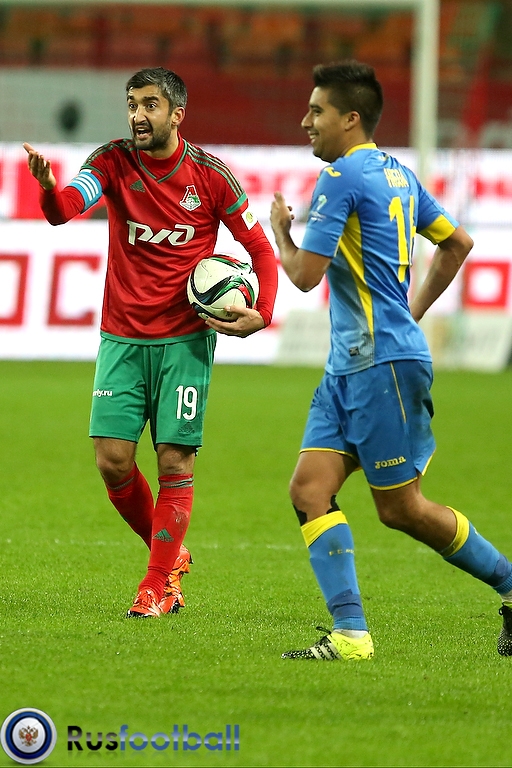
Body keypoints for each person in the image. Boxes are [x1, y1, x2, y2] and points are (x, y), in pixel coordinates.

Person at [270, 60, 512, 660]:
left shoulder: (339, 178)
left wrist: (281, 234)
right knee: (309, 489)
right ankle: (351, 636)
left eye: (317, 111)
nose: (306, 122)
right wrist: (411, 313)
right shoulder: (398, 174)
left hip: (381, 369)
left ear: (350, 118)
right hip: (350, 366)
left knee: (401, 509)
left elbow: (304, 276)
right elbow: (457, 243)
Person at [25, 67, 278, 619]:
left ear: (176, 114)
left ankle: (157, 584)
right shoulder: (112, 161)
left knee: (174, 460)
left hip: (184, 340)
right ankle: (171, 555)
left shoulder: (211, 177)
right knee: (113, 462)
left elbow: (260, 248)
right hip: (121, 336)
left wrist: (262, 314)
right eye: (132, 104)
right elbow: (64, 210)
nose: (137, 115)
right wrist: (48, 188)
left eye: (150, 105)